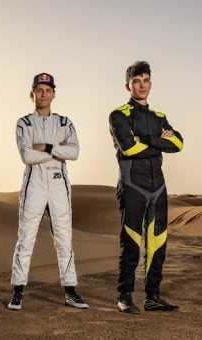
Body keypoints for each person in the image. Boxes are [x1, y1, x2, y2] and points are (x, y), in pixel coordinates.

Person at [8, 73, 88, 310]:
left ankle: (71, 291)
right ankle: (17, 291)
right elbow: (26, 155)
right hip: (34, 183)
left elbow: (74, 152)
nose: (43, 94)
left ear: (54, 93)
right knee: (26, 237)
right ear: (31, 93)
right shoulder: (24, 122)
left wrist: (47, 147)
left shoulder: (65, 123)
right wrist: (57, 151)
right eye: (39, 90)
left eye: (47, 89)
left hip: (57, 182)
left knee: (64, 238)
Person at [109, 61, 183, 313]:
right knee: (130, 242)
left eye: (146, 80)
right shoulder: (119, 115)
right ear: (128, 85)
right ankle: (125, 296)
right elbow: (129, 147)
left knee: (158, 243)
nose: (142, 85)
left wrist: (146, 140)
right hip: (133, 186)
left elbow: (179, 144)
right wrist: (160, 142)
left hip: (158, 188)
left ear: (150, 83)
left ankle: (152, 296)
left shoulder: (159, 117)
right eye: (137, 81)